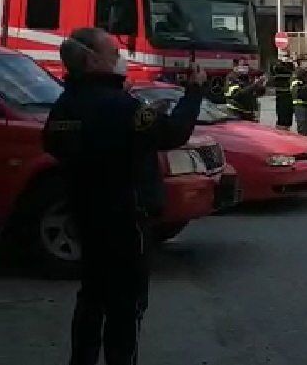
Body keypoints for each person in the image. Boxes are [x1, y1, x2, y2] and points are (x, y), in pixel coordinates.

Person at [42, 27, 206, 365]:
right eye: (114, 53)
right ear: (92, 60)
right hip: (126, 219)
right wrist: (194, 92)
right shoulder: (119, 106)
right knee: (125, 306)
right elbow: (172, 133)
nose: (121, 59)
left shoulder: (65, 104)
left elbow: (54, 144)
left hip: (85, 214)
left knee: (91, 297)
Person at [270, 52, 297, 130]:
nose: (287, 58)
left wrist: (292, 62)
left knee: (289, 114)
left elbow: (294, 71)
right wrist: (284, 62)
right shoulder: (277, 66)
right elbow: (279, 70)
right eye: (285, 56)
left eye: (287, 56)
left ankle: (287, 128)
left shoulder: (290, 65)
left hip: (289, 93)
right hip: (281, 93)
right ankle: (280, 129)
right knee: (282, 114)